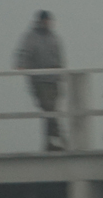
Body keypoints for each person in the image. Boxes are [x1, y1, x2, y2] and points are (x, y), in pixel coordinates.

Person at [14, 11, 65, 151]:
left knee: (51, 111)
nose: (49, 23)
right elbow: (23, 52)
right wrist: (21, 64)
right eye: (47, 20)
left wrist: (62, 75)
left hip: (54, 80)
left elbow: (59, 58)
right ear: (41, 21)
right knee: (48, 109)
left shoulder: (54, 37)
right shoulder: (31, 37)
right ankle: (61, 139)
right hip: (39, 80)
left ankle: (51, 142)